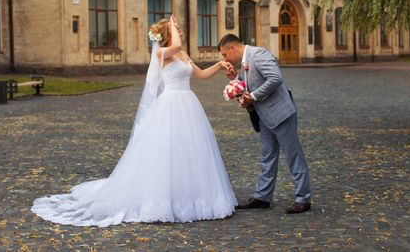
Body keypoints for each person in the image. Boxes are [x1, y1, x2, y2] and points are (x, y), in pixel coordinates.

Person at [32, 15, 237, 226]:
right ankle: (165, 198)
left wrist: (221, 65)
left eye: (177, 26)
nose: (179, 28)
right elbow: (176, 44)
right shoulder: (162, 53)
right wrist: (171, 25)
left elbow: (201, 75)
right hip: (170, 106)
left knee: (190, 150)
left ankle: (191, 195)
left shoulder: (182, 54)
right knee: (168, 151)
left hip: (188, 105)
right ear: (167, 33)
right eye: (175, 27)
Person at [218, 34, 311, 214]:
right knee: (267, 155)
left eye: (224, 54)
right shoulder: (246, 60)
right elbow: (251, 84)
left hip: (281, 113)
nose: (225, 59)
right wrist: (235, 78)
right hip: (265, 116)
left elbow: (275, 79)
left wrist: (253, 97)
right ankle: (262, 197)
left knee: (293, 156)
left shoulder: (258, 55)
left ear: (232, 48)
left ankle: (303, 198)